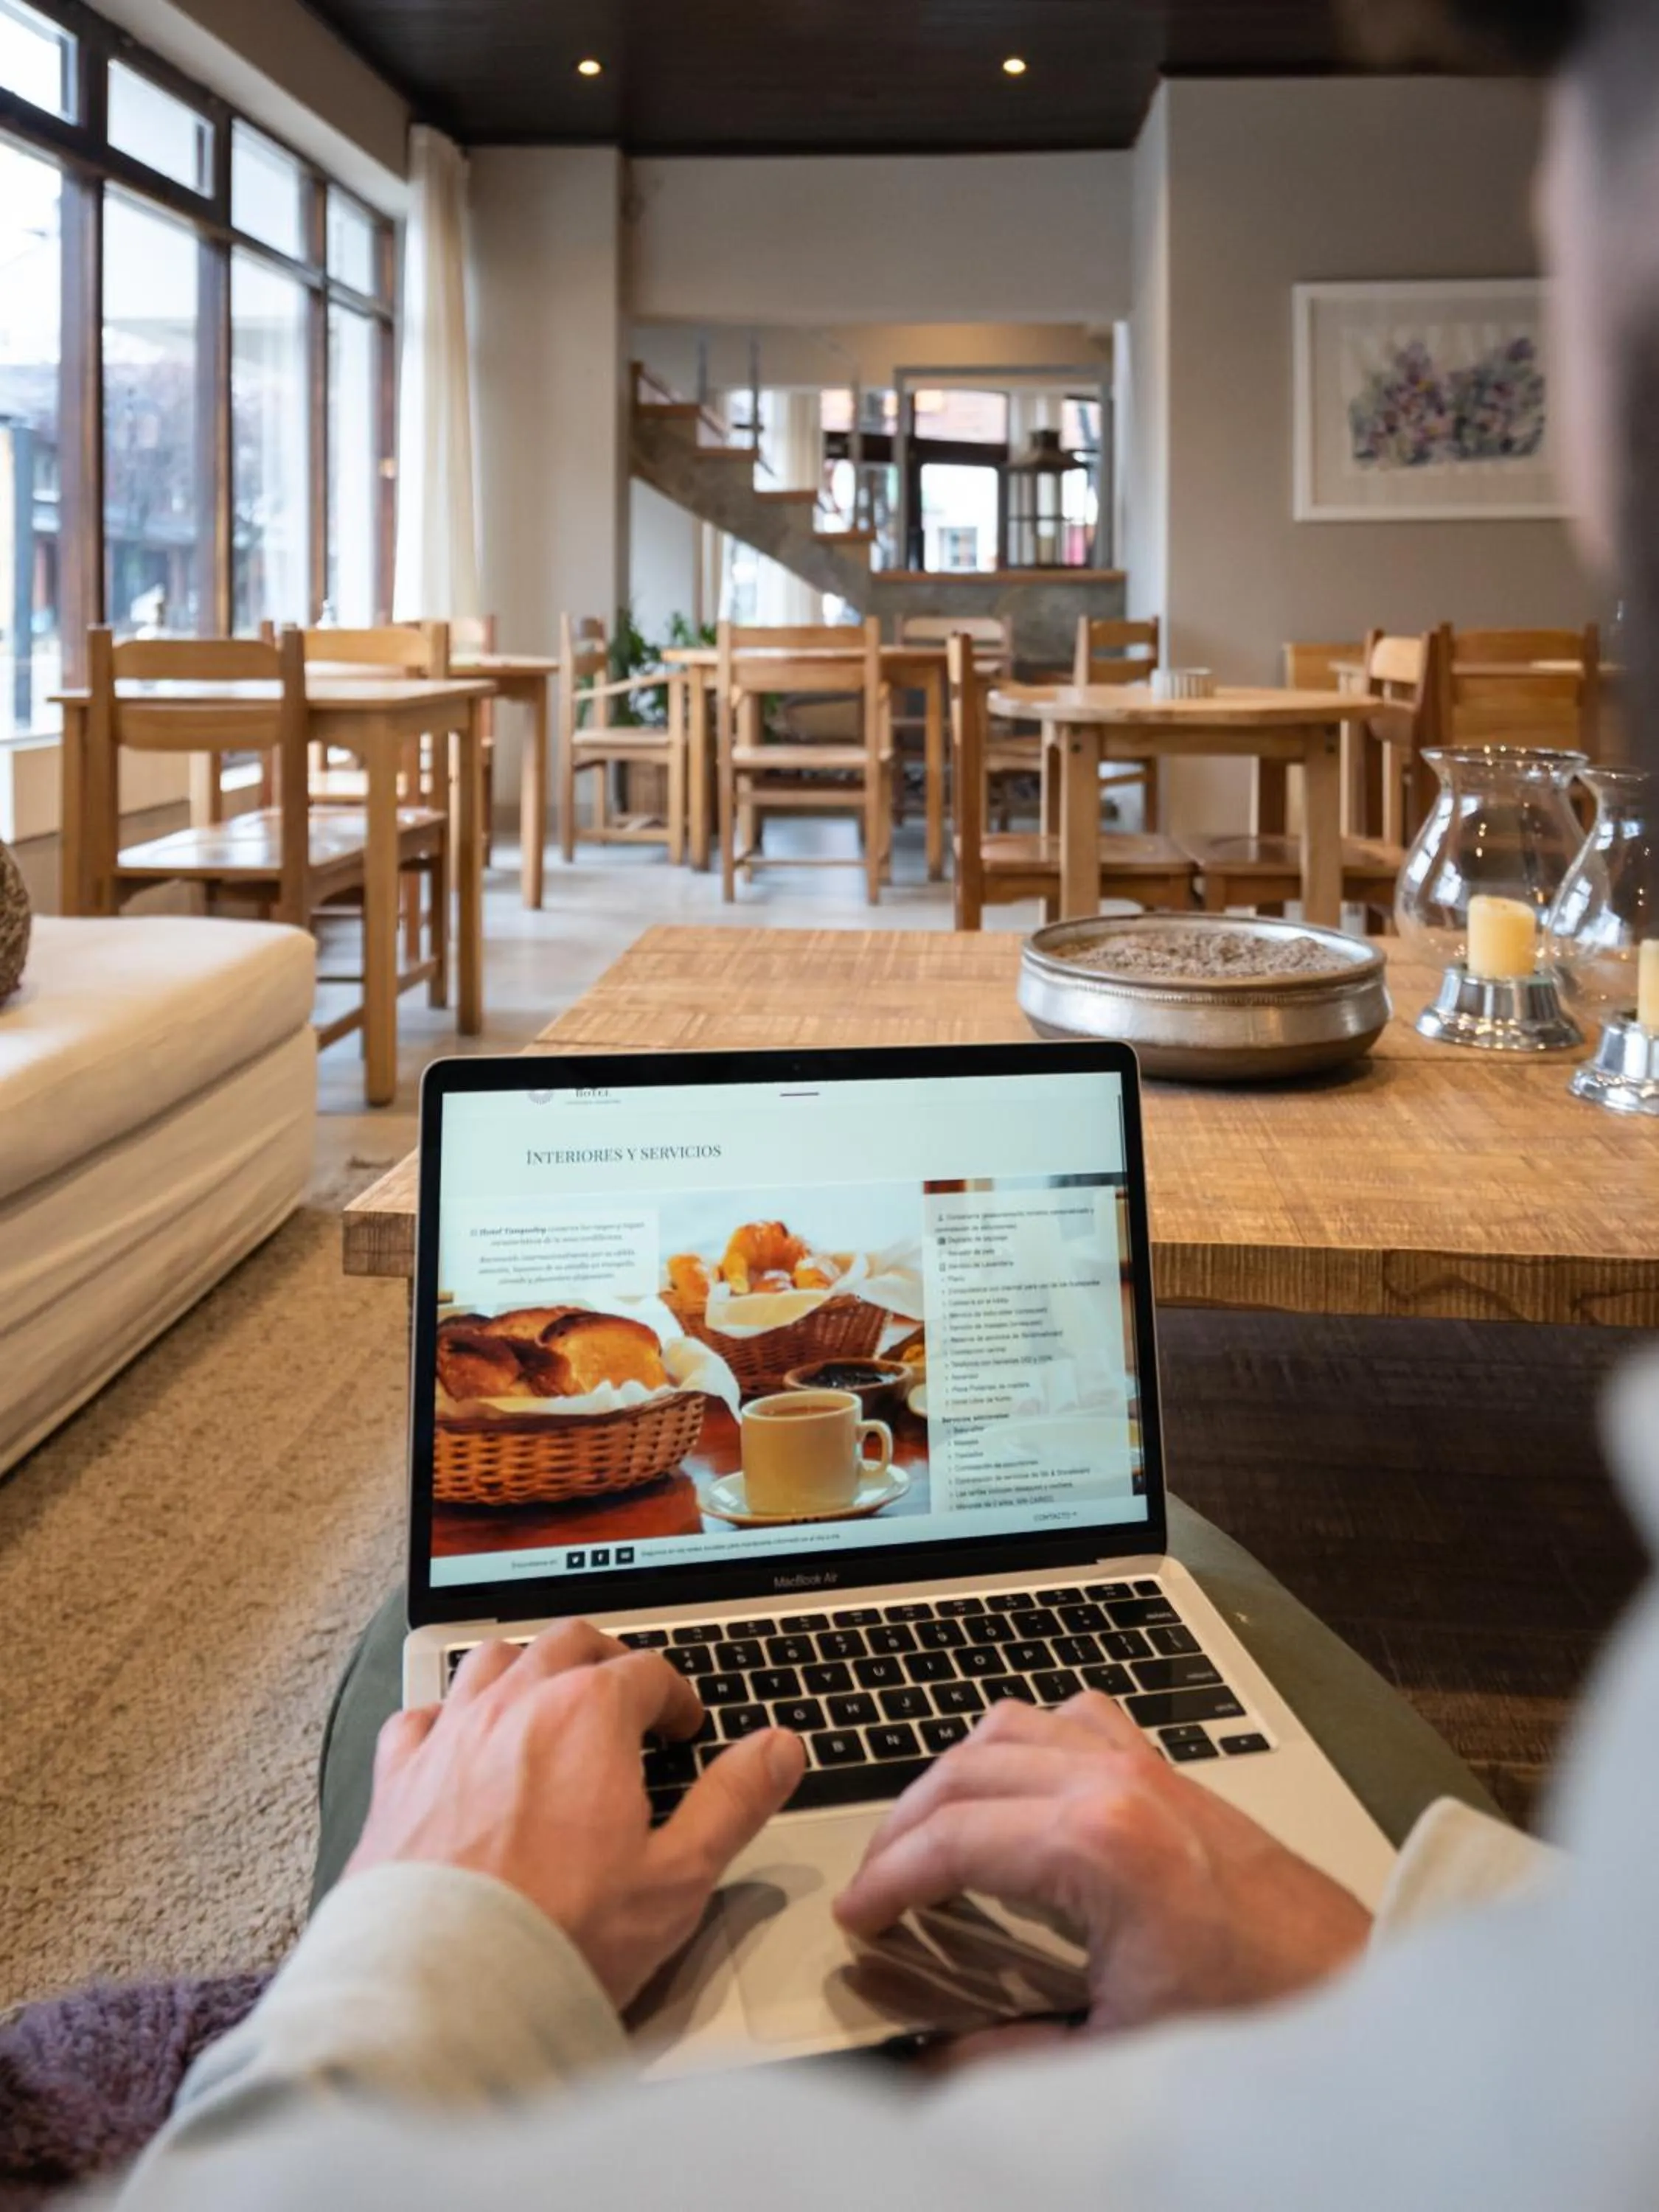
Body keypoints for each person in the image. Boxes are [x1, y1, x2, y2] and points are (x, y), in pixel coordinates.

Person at [112, 3, 1659, 2202]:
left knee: (426, 1654)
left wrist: (435, 1956)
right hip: (1411, 1986)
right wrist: (1387, 1951)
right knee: (1119, 1559)